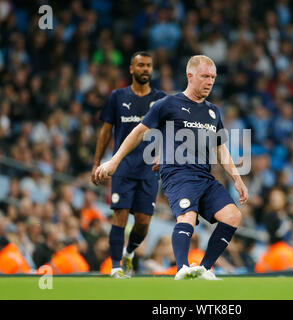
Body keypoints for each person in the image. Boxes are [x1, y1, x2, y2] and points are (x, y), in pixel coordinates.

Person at [94, 55, 248, 280]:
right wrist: (114, 161)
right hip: (178, 173)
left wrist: (237, 178)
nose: (210, 81)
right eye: (205, 76)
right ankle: (182, 268)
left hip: (204, 176)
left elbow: (220, 148)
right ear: (190, 75)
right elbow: (138, 132)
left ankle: (204, 269)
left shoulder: (213, 111)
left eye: (213, 77)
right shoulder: (167, 104)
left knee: (232, 216)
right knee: (186, 216)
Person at [91, 51, 166, 278]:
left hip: (149, 170)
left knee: (142, 223)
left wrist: (163, 154)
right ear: (131, 69)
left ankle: (129, 253)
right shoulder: (117, 96)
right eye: (140, 65)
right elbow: (105, 131)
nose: (145, 69)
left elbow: (169, 132)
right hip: (122, 167)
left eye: (149, 66)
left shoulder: (161, 99)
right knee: (120, 215)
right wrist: (96, 163)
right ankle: (116, 268)